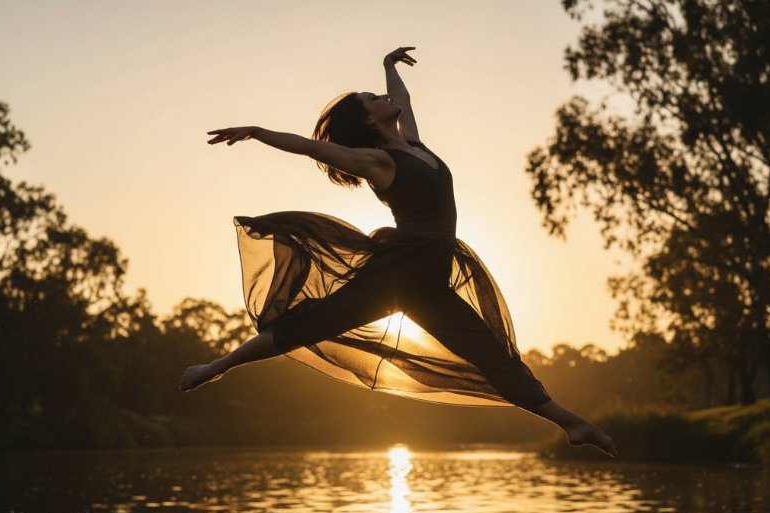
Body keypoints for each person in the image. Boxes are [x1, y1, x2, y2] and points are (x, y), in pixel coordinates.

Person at [180, 47, 618, 458]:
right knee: (313, 323)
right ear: (368, 120)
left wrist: (389, 65)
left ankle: (570, 425)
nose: (386, 96)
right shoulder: (378, 161)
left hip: (430, 277)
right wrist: (256, 132)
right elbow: (313, 148)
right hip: (402, 271)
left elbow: (403, 99)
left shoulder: (416, 146)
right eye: (374, 97)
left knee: (492, 355)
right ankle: (217, 366)